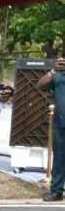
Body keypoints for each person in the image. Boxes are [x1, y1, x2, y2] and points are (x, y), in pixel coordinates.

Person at [37, 56, 65, 201]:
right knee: (59, 159)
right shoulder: (59, 75)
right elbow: (40, 85)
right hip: (60, 123)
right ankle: (57, 191)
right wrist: (54, 70)